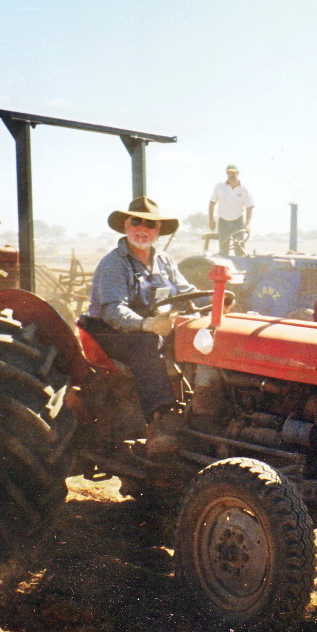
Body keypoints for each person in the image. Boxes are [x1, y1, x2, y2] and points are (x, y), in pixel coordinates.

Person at [82, 196, 198, 458]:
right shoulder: (114, 263)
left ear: (157, 231)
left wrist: (217, 300)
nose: (142, 228)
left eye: (150, 224)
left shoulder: (164, 260)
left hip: (151, 328)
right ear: (126, 225)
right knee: (146, 345)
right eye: (137, 221)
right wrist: (147, 324)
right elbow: (113, 310)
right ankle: (161, 422)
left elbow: (186, 291)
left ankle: (199, 411)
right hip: (109, 332)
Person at [208, 164, 254, 256]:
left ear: (238, 174)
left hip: (238, 221)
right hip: (223, 221)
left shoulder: (244, 189)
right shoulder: (219, 187)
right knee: (223, 248)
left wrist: (247, 224)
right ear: (227, 174)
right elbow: (212, 203)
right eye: (229, 173)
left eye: (233, 173)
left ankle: (240, 268)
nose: (231, 175)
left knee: (239, 247)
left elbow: (249, 207)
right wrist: (211, 220)